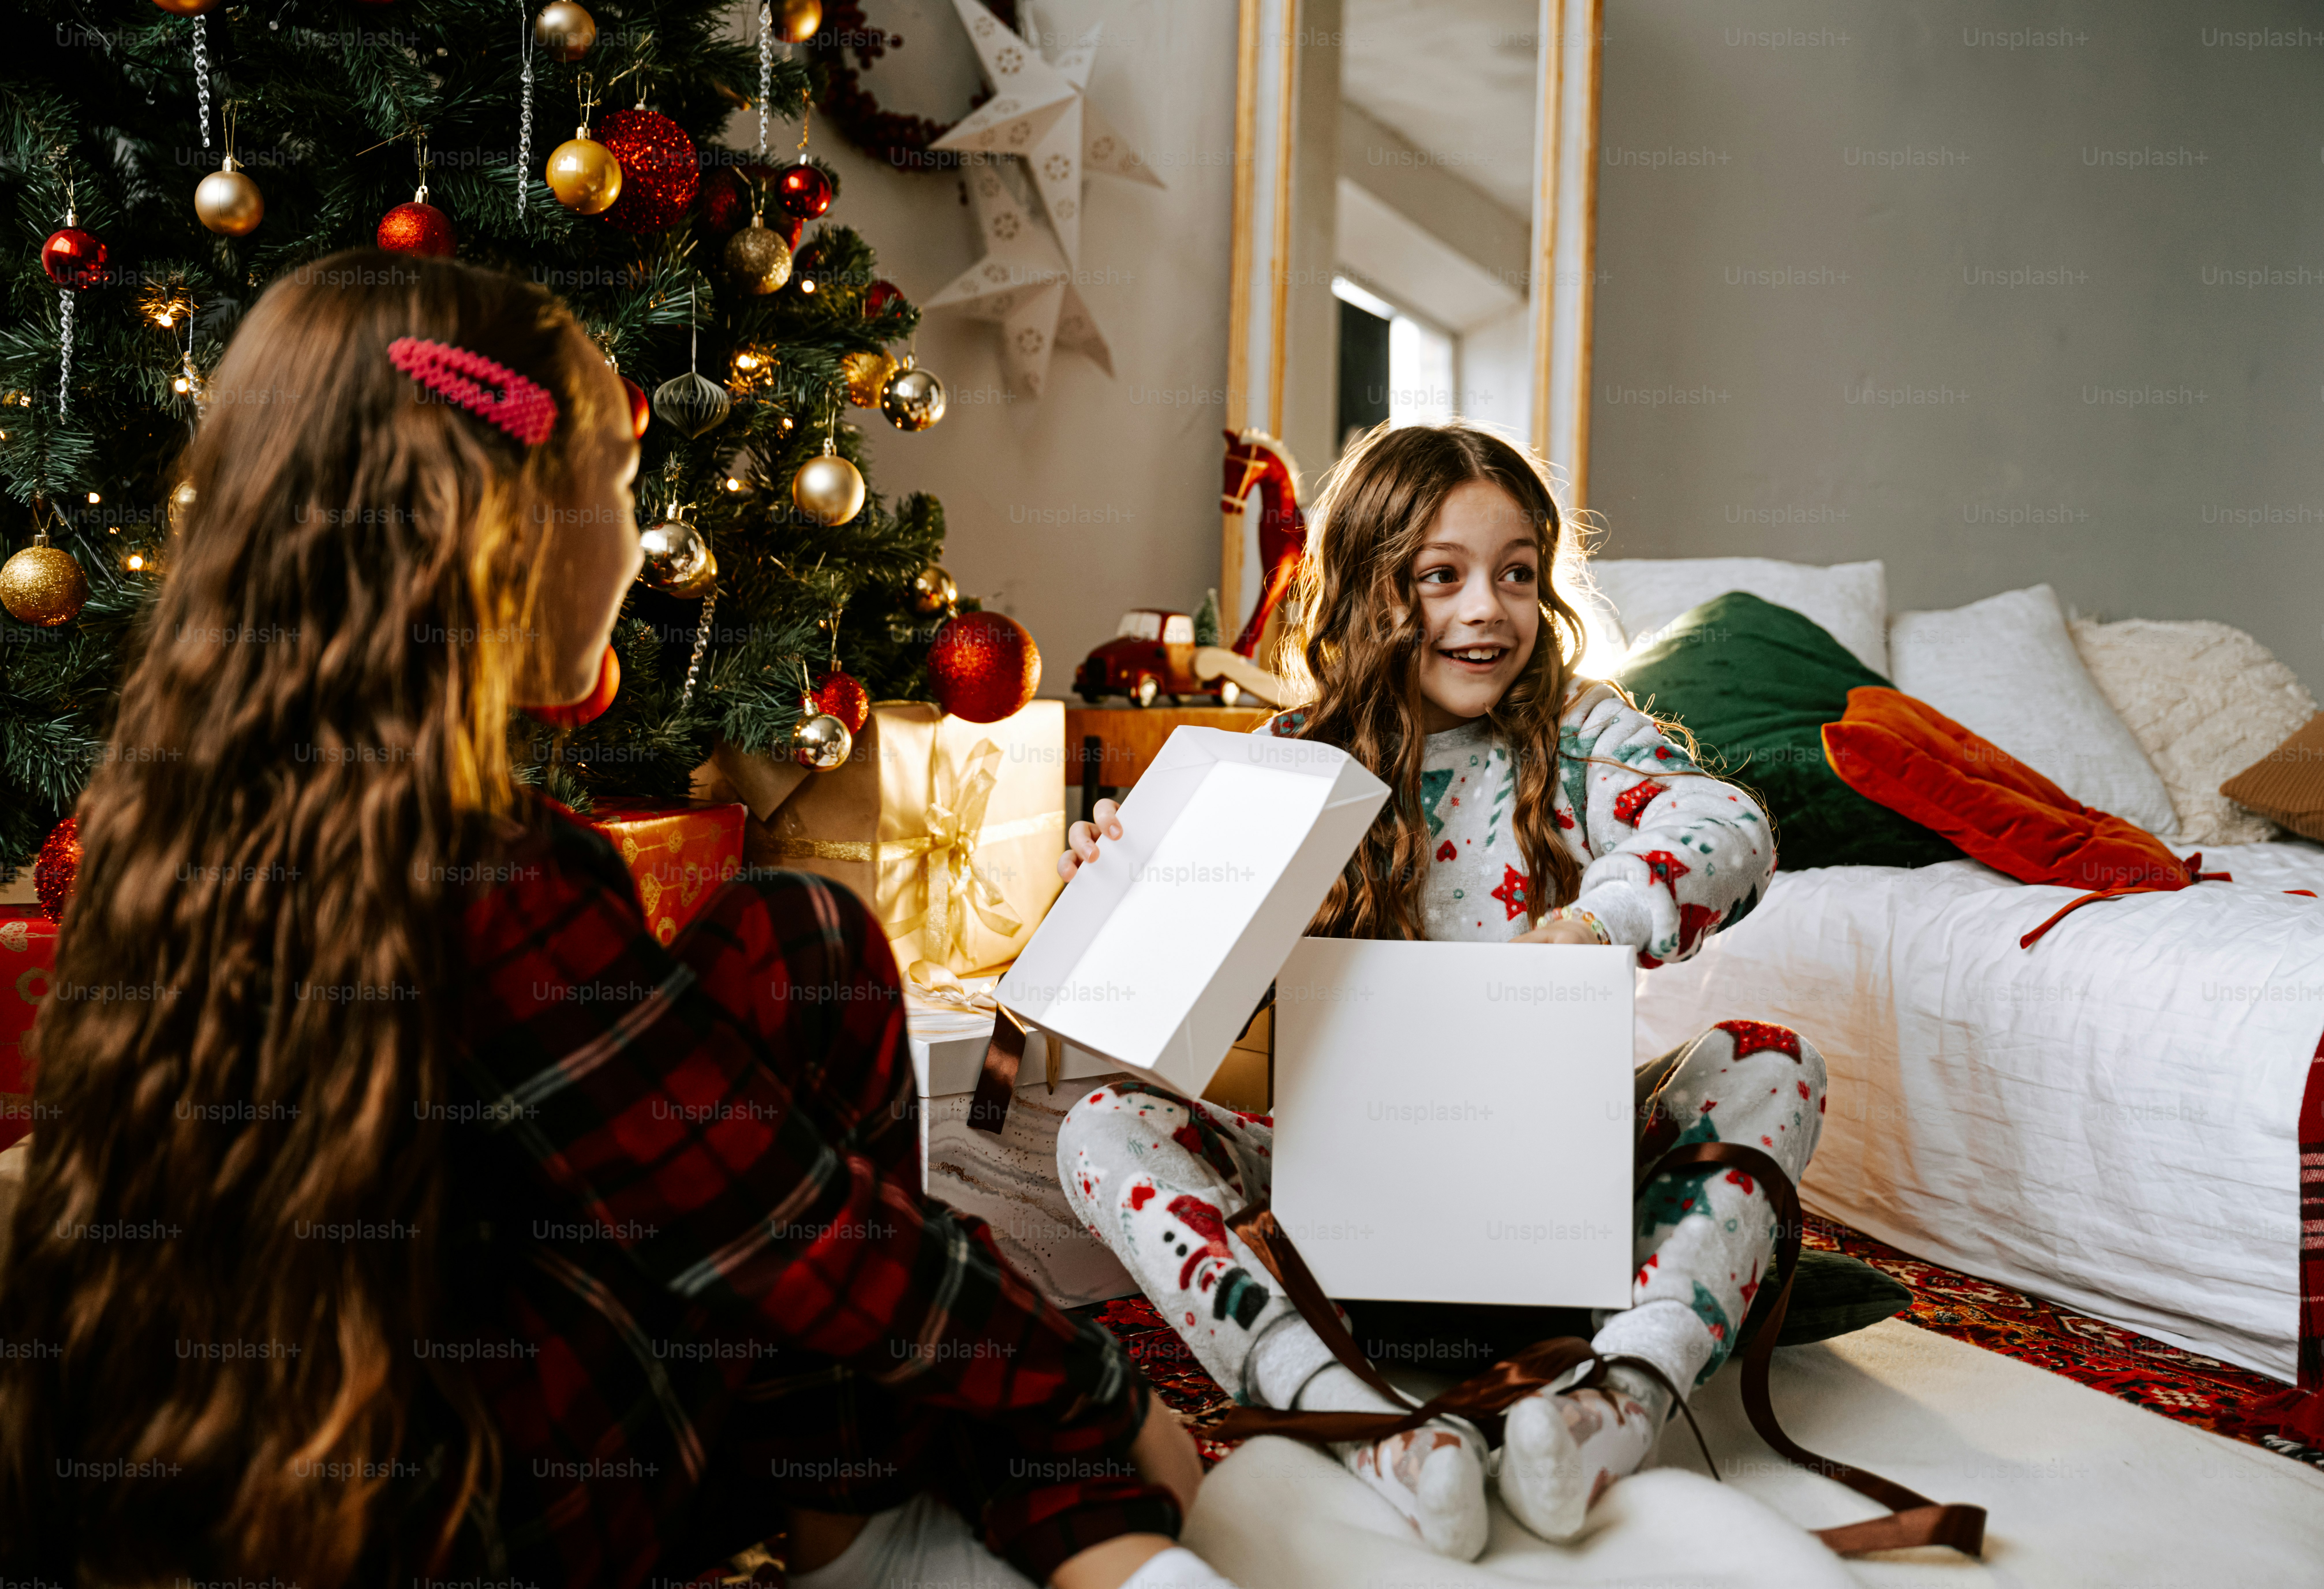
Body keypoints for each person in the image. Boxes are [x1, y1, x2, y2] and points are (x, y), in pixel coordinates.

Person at [0, 251, 1239, 1589]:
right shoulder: (488, 874)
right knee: (818, 1166)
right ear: (507, 532)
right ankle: (937, 1536)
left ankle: (873, 1527)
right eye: (623, 492)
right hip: (462, 1519)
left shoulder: (166, 806)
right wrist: (1107, 1399)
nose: (643, 549)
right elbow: (797, 1229)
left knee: (786, 944)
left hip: (249, 1468)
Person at [1055, 422, 1826, 1560]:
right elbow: (1195, 1023)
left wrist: (1597, 917)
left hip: (1560, 1197)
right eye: (1441, 576)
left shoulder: (1575, 738)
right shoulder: (1284, 759)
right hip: (1342, 1209)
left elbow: (1731, 826)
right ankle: (1351, 1415)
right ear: (1371, 589)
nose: (1488, 609)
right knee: (1099, 1125)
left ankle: (1615, 1403)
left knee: (1773, 1060)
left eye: (1518, 573)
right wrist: (1132, 892)